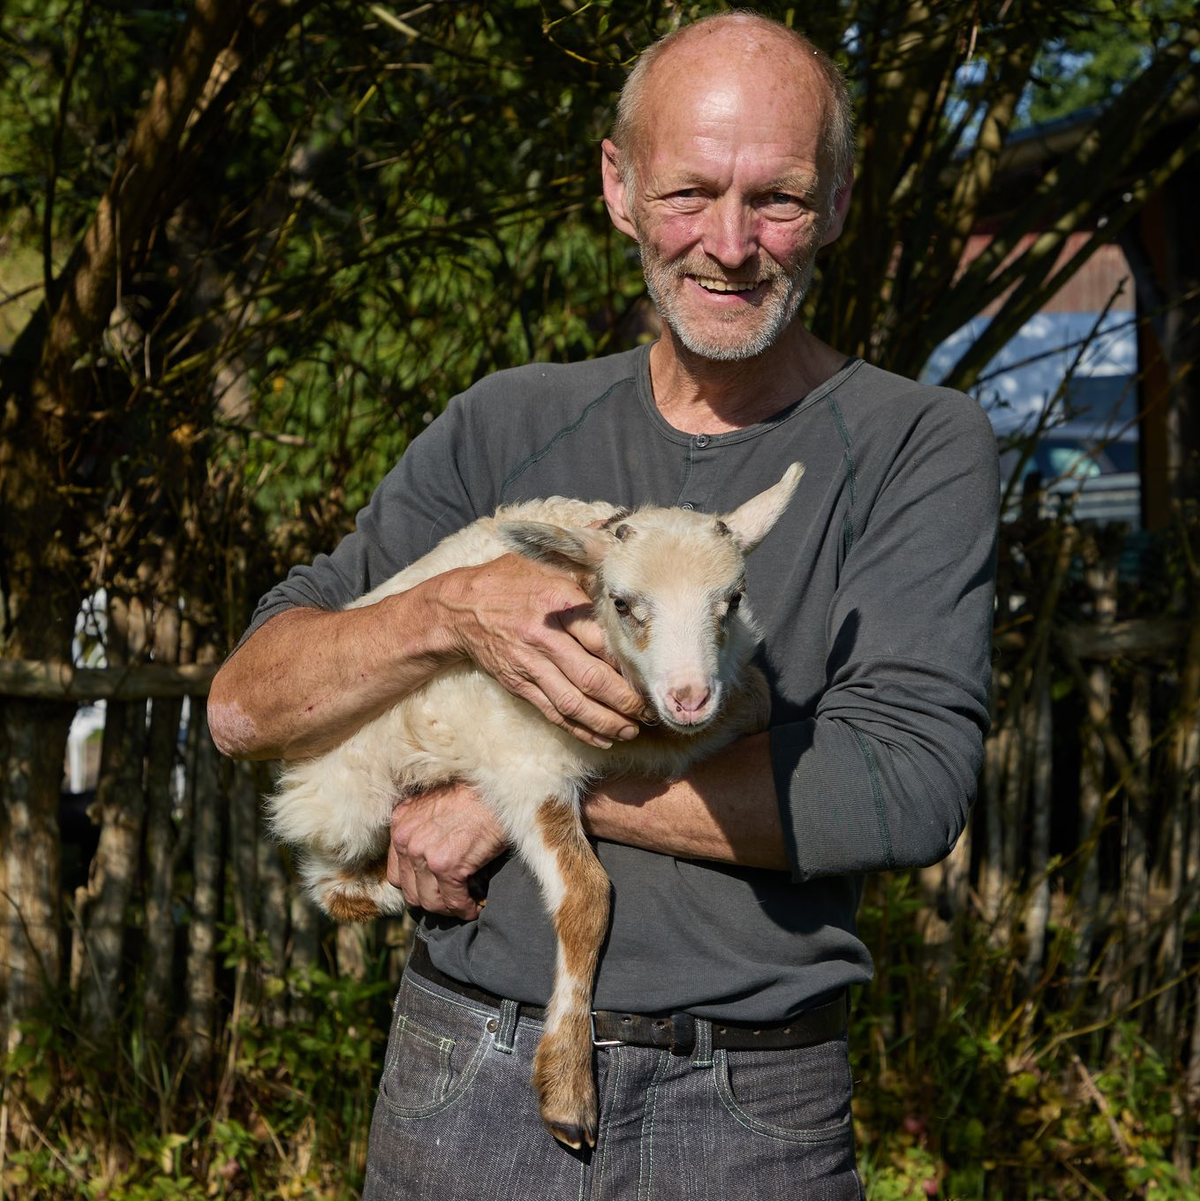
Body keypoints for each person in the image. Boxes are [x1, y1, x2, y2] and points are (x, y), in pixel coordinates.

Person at [209, 12, 999, 1200]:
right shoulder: (505, 423)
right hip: (461, 1067)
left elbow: (902, 787)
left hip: (745, 1110)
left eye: (776, 198)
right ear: (618, 187)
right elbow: (243, 705)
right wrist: (449, 611)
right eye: (689, 192)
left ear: (838, 200)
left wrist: (517, 782)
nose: (729, 243)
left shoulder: (915, 445)